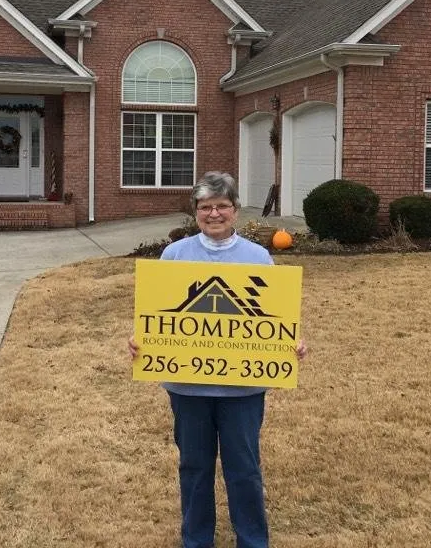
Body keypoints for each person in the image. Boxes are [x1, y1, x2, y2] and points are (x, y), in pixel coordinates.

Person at [128, 171, 306, 548]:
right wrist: (141, 343)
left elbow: (273, 319)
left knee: (244, 470)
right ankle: (196, 540)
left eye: (221, 206)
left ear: (235, 211)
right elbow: (158, 316)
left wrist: (290, 344)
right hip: (188, 387)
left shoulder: (258, 257)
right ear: (195, 212)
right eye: (205, 207)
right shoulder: (174, 255)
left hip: (243, 389)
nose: (213, 214)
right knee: (194, 468)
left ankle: (253, 541)